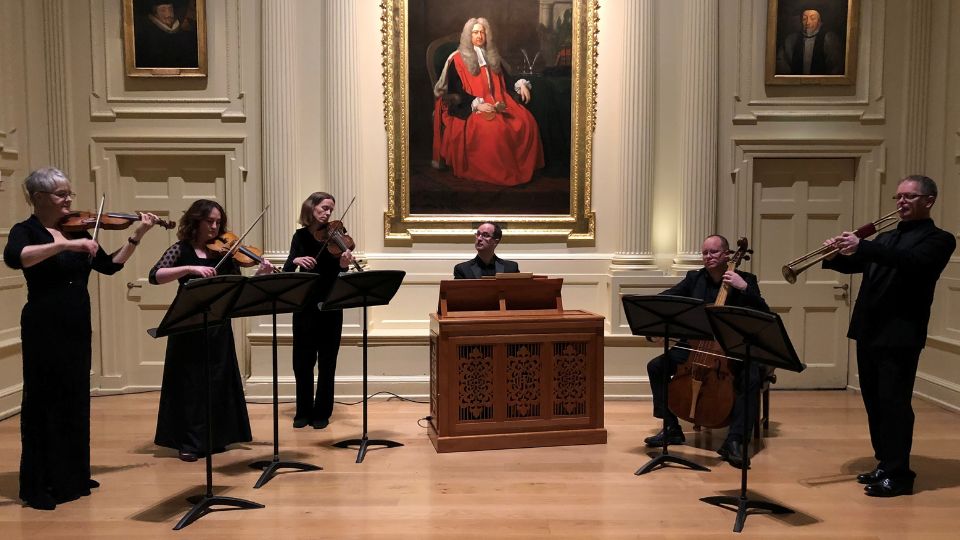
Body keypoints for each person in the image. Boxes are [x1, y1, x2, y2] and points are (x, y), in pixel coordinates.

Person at [3, 167, 159, 510]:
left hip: (76, 323)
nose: (69, 200)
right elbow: (15, 258)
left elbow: (110, 265)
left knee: (74, 399)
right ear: (39, 197)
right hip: (44, 325)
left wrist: (138, 235)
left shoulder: (76, 230)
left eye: (69, 193)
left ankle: (71, 474)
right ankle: (39, 484)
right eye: (62, 194)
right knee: (44, 401)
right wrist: (64, 246)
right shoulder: (26, 231)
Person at [822, 175, 955, 497]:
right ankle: (885, 462)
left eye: (909, 196)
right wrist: (835, 254)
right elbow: (855, 265)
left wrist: (864, 246)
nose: (901, 202)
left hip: (900, 334)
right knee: (874, 403)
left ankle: (900, 475)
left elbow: (912, 263)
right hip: (869, 330)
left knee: (895, 404)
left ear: (929, 200)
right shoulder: (887, 237)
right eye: (898, 197)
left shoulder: (939, 239)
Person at [149, 199, 273, 461]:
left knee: (218, 381)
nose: (215, 227)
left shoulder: (224, 254)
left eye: (218, 222)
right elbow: (155, 275)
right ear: (196, 221)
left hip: (217, 326)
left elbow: (239, 288)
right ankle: (188, 441)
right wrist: (189, 268)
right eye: (210, 221)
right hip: (188, 325)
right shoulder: (181, 249)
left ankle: (217, 438)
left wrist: (260, 274)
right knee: (190, 384)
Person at [644, 235, 770, 469]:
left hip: (732, 349)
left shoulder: (746, 280)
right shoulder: (694, 279)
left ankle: (735, 440)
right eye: (705, 253)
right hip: (695, 346)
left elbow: (763, 312)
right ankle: (671, 427)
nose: (708, 257)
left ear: (727, 254)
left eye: (714, 252)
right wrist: (654, 320)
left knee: (751, 375)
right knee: (656, 366)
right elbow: (668, 299)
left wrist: (744, 288)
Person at [432, 17, 545, 186]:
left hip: (498, 101)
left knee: (526, 120)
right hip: (468, 106)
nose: (479, 36)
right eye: (475, 32)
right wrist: (477, 104)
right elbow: (455, 91)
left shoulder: (492, 56)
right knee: (494, 129)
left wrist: (521, 85)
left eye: (482, 32)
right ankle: (502, 173)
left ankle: (518, 170)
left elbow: (507, 81)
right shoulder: (456, 59)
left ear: (487, 35)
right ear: (468, 35)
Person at [282, 193, 354, 429]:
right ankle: (303, 411)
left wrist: (343, 266)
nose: (328, 213)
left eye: (331, 209)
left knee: (327, 361)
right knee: (302, 361)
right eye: (324, 208)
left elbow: (339, 276)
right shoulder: (300, 236)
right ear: (311, 208)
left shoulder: (336, 237)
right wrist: (297, 261)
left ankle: (322, 411)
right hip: (305, 305)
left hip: (330, 305)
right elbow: (287, 269)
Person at [775, 8, 844, 75]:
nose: (808, 23)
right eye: (804, 19)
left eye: (813, 18)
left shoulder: (829, 38)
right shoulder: (791, 40)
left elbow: (836, 67)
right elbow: (782, 65)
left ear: (819, 22)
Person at [134, 0, 199, 68]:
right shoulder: (147, 36)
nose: (168, 15)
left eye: (170, 9)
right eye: (163, 10)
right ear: (155, 14)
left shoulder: (183, 33)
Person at [453, 221, 519, 278]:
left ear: (495, 242)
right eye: (478, 234)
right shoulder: (462, 269)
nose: (479, 238)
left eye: (485, 235)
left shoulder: (511, 268)